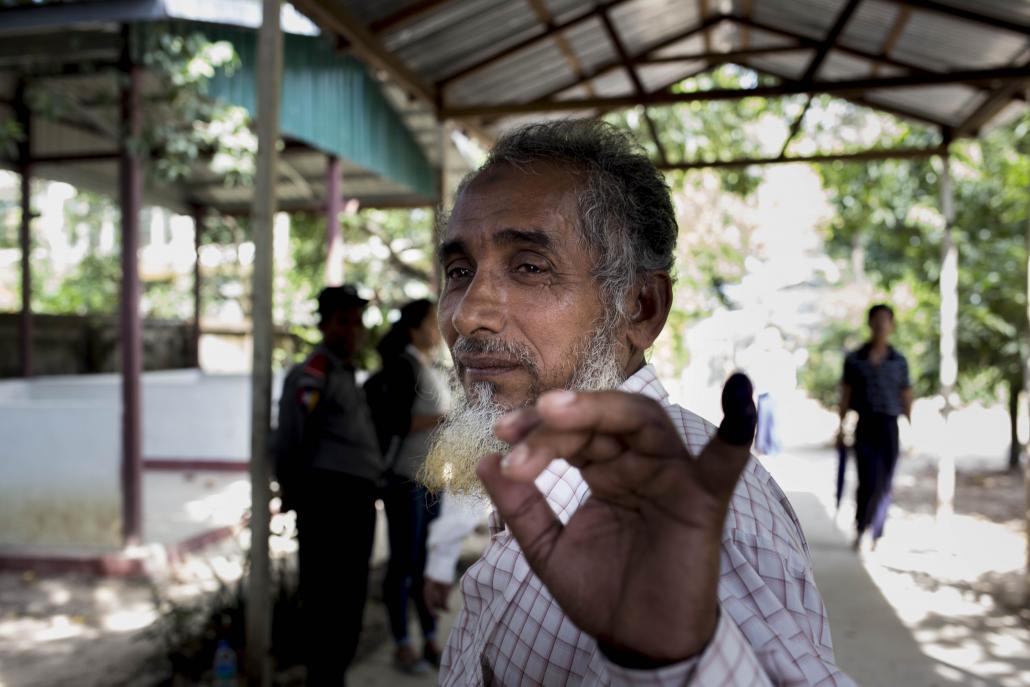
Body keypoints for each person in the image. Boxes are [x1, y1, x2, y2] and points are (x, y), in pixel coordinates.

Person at [419, 120, 854, 685]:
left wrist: (671, 658)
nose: (466, 313)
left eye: (529, 266)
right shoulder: (542, 480)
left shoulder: (702, 515)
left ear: (642, 307)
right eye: (458, 272)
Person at [272, 285, 381, 686]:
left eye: (358, 323)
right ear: (323, 324)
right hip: (329, 502)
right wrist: (290, 491)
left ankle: (335, 675)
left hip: (356, 500)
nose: (353, 332)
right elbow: (291, 436)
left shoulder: (345, 373)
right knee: (326, 599)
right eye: (343, 322)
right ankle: (325, 676)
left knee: (350, 597)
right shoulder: (313, 373)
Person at [366, 299, 449, 673]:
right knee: (403, 564)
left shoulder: (429, 366)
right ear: (415, 329)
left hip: (430, 480)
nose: (439, 328)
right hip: (406, 479)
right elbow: (396, 423)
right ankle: (402, 643)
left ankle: (430, 638)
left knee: (424, 561)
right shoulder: (404, 367)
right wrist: (444, 420)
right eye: (432, 322)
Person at [839, 303, 913, 551]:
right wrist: (840, 427)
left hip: (889, 425)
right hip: (865, 424)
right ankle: (861, 528)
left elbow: (906, 395)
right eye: (877, 319)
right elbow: (846, 395)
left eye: (886, 320)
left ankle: (876, 533)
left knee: (885, 482)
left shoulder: (899, 361)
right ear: (870, 323)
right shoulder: (855, 359)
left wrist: (910, 428)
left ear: (891, 326)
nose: (881, 324)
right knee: (866, 479)